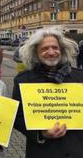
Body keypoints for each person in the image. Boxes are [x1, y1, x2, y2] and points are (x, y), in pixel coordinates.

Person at [12, 27, 83, 158]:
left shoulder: (80, 77)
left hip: (76, 149)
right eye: (44, 49)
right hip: (42, 151)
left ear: (61, 50)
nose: (51, 52)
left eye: (55, 48)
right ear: (36, 53)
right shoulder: (23, 80)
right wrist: (41, 133)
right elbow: (16, 117)